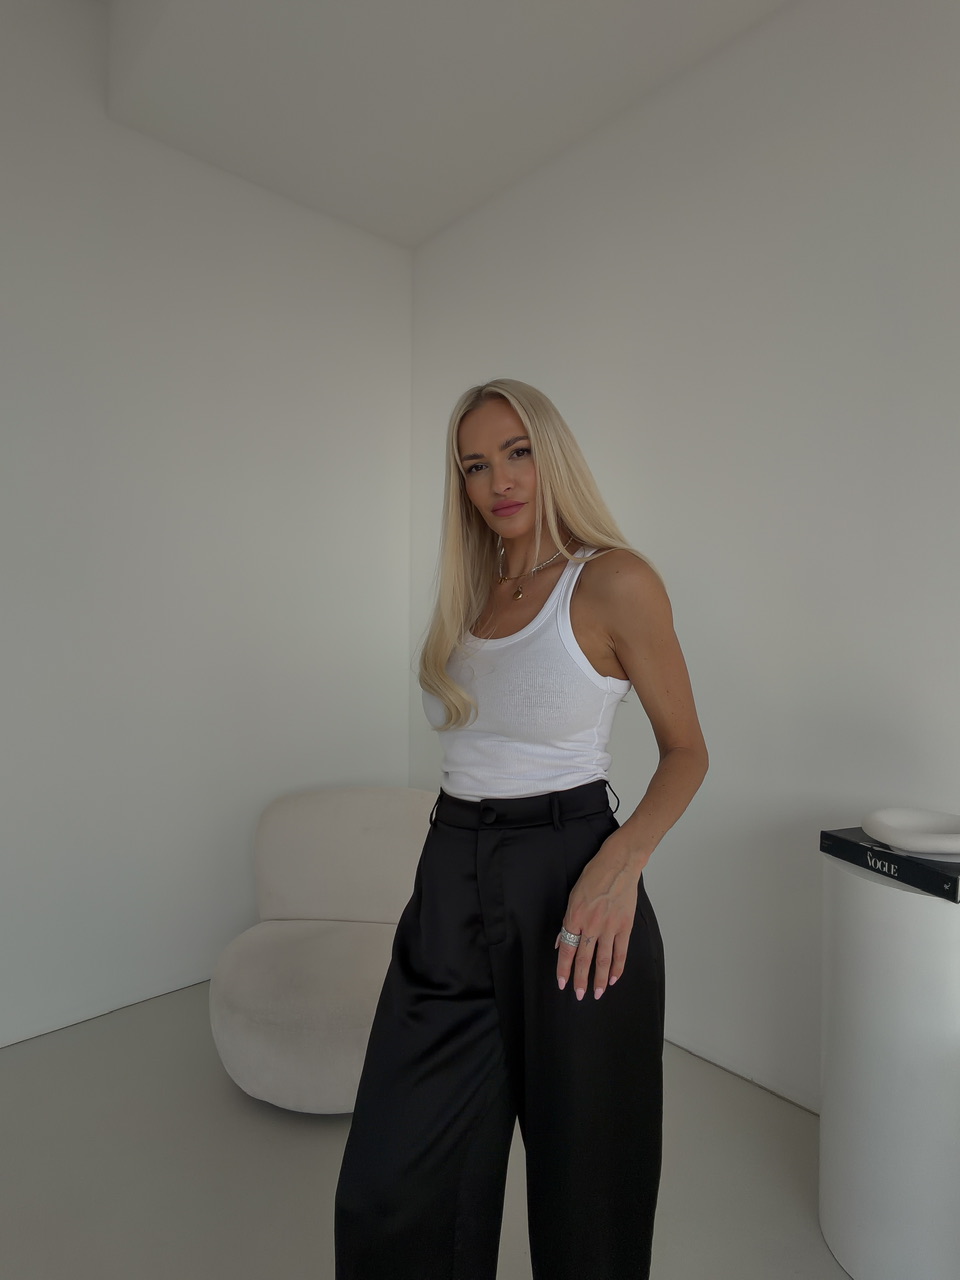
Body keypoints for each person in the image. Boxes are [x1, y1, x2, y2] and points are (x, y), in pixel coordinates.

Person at [335, 379, 708, 1279]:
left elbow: (687, 752)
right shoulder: (471, 596)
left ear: (552, 454)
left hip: (570, 874)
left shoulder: (613, 581)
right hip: (450, 876)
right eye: (475, 465)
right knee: (394, 1178)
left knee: (589, 1184)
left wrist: (620, 862)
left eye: (517, 452)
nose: (498, 480)